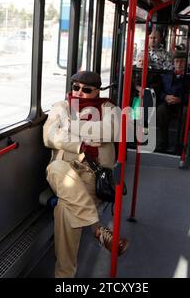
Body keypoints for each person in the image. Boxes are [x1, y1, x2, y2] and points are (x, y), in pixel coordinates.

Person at [43, 70, 129, 278]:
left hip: (93, 174)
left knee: (65, 209)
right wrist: (80, 144)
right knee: (55, 168)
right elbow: (49, 136)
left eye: (86, 89)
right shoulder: (61, 107)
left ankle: (64, 276)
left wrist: (72, 126)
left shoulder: (109, 108)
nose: (79, 92)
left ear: (97, 92)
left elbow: (113, 130)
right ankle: (97, 228)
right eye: (76, 87)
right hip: (63, 167)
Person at [156, 50, 190, 152]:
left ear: (186, 63)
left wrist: (181, 99)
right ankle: (163, 141)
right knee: (161, 110)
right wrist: (165, 97)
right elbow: (159, 90)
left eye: (182, 61)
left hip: (183, 103)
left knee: (185, 113)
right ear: (173, 62)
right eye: (176, 61)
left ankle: (181, 143)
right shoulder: (166, 74)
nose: (179, 64)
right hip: (168, 102)